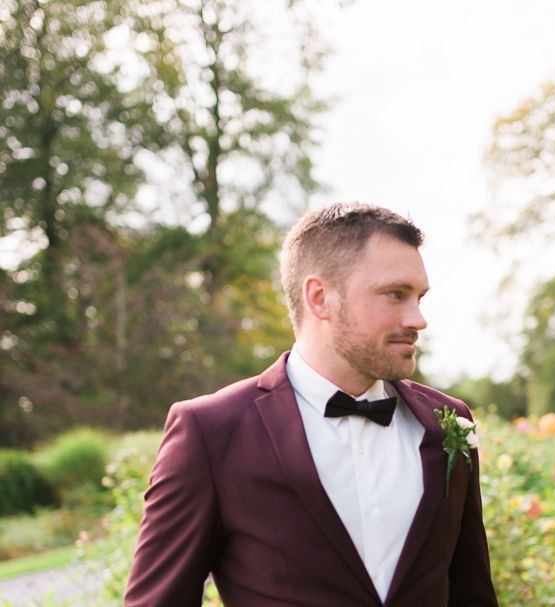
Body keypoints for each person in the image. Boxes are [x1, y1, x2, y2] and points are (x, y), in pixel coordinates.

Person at [124, 202, 498, 607]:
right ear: (320, 297)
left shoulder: (448, 425)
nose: (417, 319)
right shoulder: (211, 431)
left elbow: (471, 592)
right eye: (396, 295)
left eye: (419, 298)